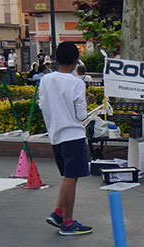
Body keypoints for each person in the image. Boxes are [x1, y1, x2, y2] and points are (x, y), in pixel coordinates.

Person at [39, 42, 92, 236]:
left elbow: (42, 105)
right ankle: (68, 223)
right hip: (73, 136)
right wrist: (85, 103)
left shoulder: (46, 80)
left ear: (56, 59)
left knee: (68, 177)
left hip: (56, 136)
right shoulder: (77, 83)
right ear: (76, 61)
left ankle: (58, 213)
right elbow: (80, 116)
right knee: (72, 179)